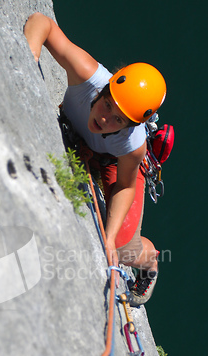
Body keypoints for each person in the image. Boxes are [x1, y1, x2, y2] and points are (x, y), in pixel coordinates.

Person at [24, 12, 167, 306]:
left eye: (118, 120)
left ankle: (150, 262)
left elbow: (126, 186)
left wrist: (111, 240)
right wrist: (27, 58)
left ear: (131, 126)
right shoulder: (88, 74)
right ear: (104, 88)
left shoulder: (132, 144)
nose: (105, 118)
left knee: (126, 249)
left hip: (116, 161)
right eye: (106, 104)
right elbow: (43, 23)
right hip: (98, 151)